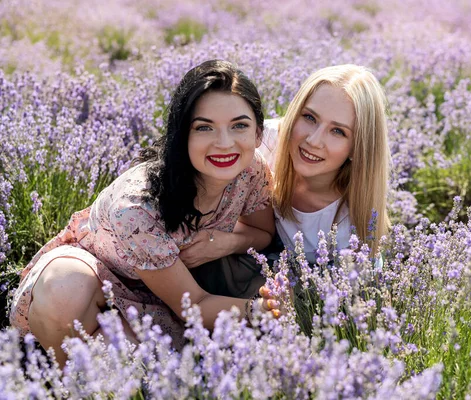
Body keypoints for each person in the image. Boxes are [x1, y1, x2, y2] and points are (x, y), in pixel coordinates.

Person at [9, 60, 284, 367]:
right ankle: (65, 380)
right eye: (204, 127)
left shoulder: (251, 169)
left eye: (239, 125)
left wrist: (222, 242)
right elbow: (194, 304)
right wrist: (257, 311)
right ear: (182, 136)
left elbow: (263, 234)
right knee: (64, 291)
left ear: (258, 133)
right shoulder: (138, 207)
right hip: (100, 272)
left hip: (168, 290)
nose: (224, 143)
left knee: (139, 365)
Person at [264, 64, 391, 263]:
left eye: (338, 131)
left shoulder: (349, 228)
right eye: (309, 117)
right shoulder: (262, 143)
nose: (314, 140)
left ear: (357, 149)